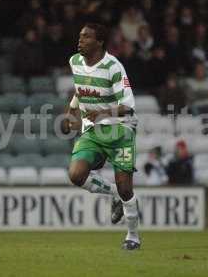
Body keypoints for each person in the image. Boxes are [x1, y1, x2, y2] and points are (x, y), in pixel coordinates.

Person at [64, 23, 140, 250]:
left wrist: (102, 112)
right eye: (80, 36)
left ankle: (133, 236)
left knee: (126, 188)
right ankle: (113, 194)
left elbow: (128, 106)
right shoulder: (74, 61)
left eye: (86, 37)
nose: (80, 40)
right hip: (93, 130)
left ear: (99, 42)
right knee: (76, 174)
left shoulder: (113, 67)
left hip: (120, 129)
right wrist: (71, 112)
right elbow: (81, 87)